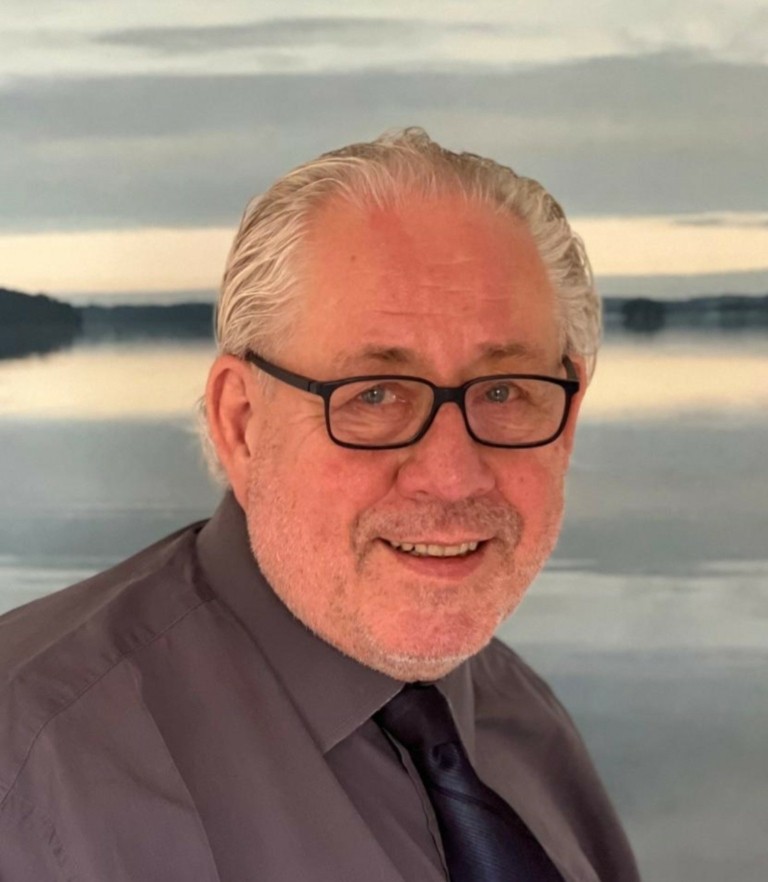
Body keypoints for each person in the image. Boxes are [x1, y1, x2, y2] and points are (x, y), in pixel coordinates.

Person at [0, 128, 640, 881]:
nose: (452, 476)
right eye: (374, 395)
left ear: (569, 416)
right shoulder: (30, 767)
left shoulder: (520, 718)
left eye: (503, 392)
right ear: (242, 422)